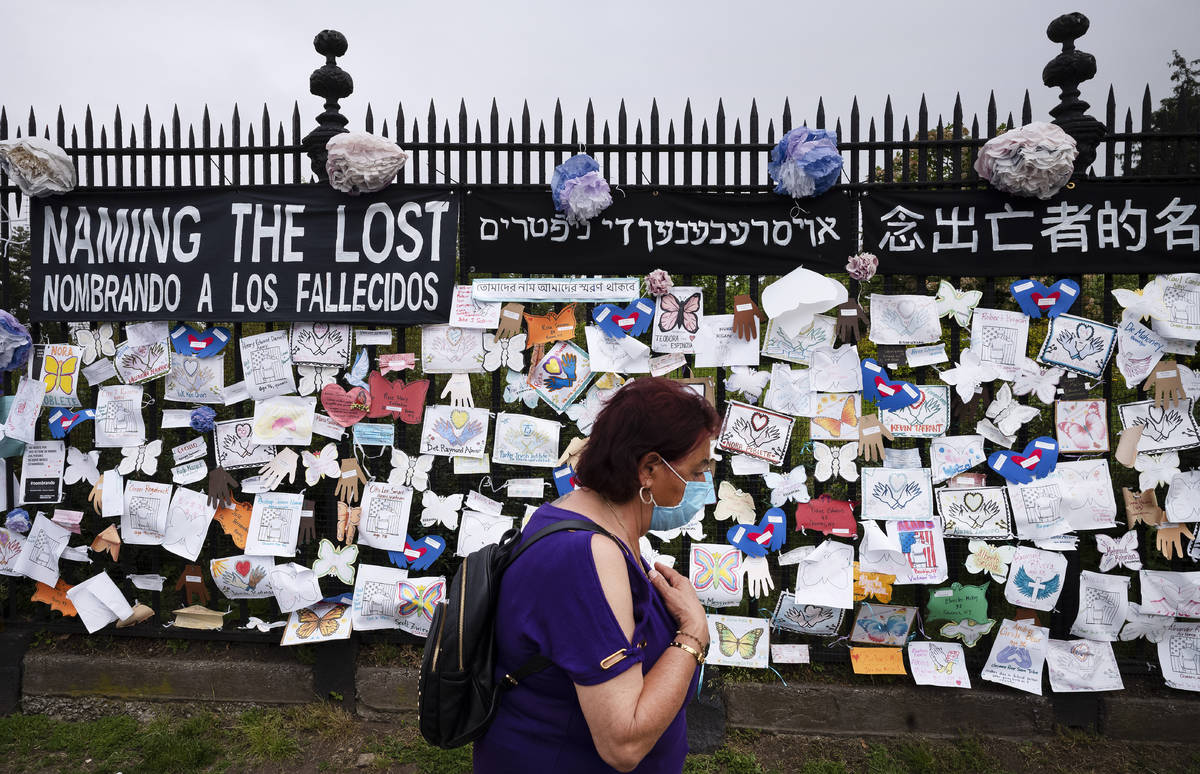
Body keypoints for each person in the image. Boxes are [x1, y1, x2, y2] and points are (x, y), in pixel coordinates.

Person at [474, 377, 721, 773]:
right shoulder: (584, 558)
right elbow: (624, 741)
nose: (701, 485)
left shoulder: (587, 517)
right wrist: (693, 633)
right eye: (695, 471)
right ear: (649, 469)